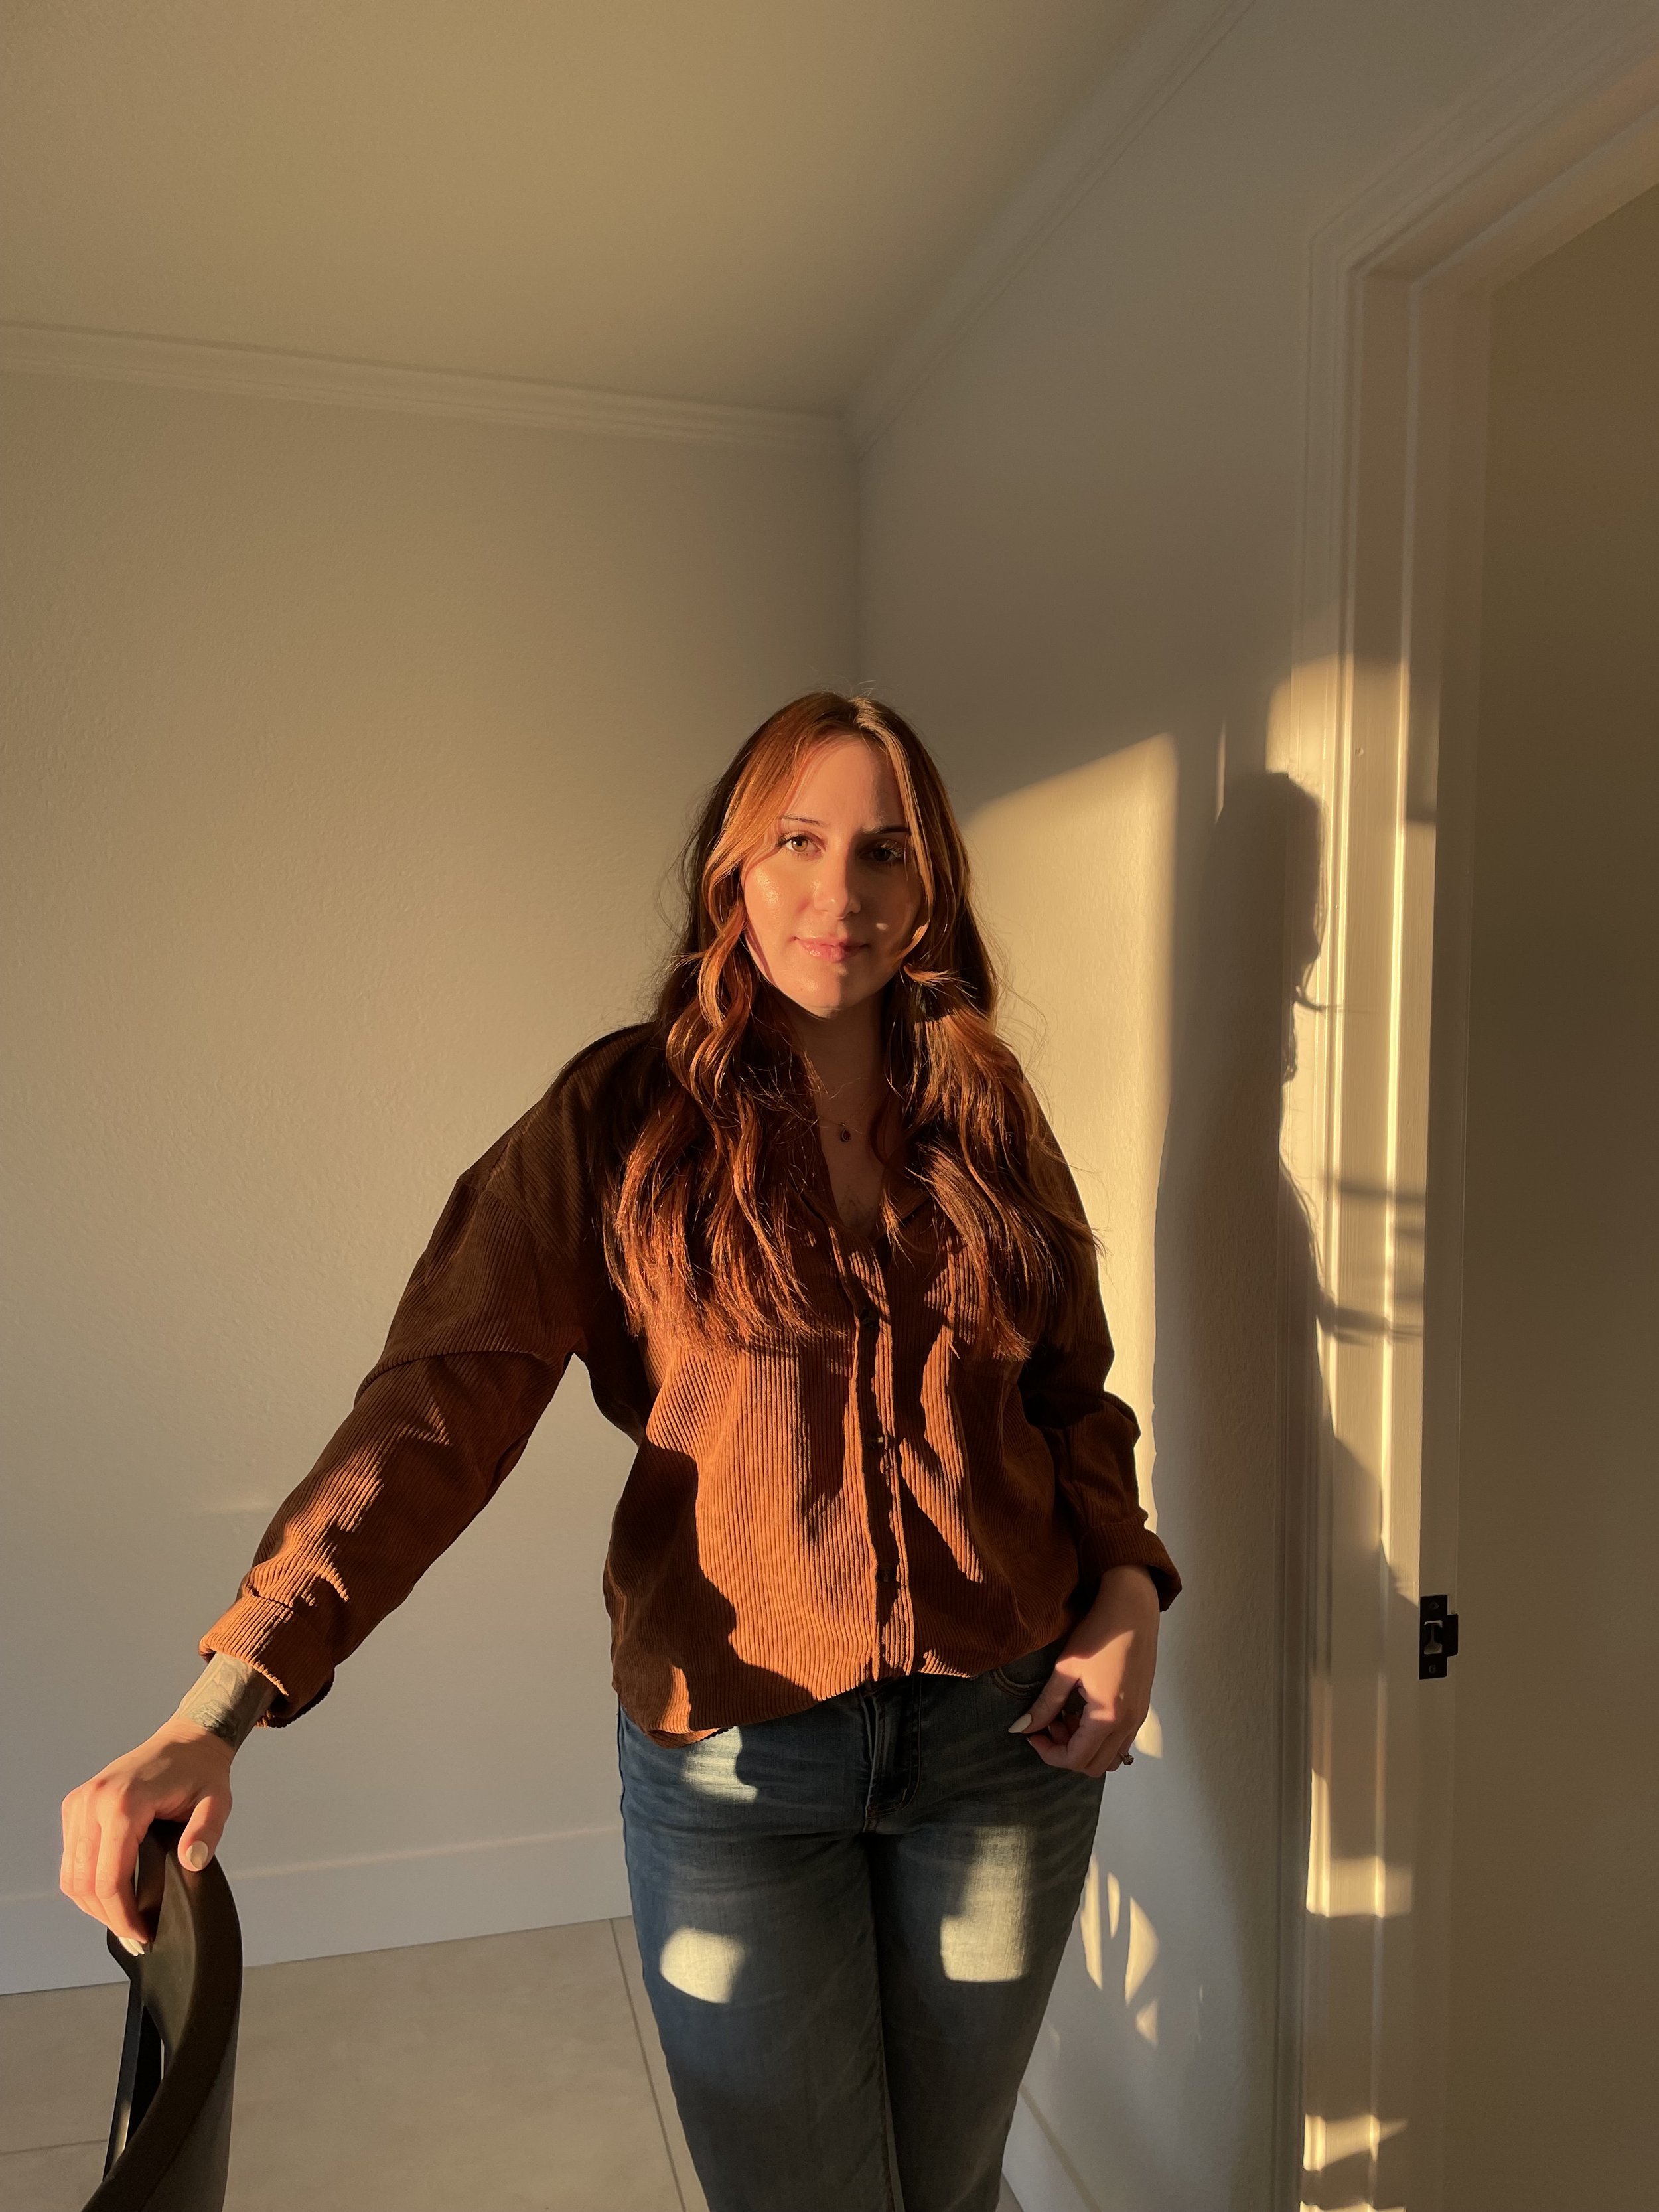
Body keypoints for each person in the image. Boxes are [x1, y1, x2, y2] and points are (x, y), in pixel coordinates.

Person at [60, 692, 1180, 2212]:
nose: (837, 894)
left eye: (881, 851)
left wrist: (1126, 1594)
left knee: (951, 2181)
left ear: (930, 891)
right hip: (737, 1769)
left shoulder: (982, 1110)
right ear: (731, 868)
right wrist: (221, 1699)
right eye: (797, 842)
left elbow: (1073, 1389)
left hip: (1009, 1743)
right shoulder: (620, 1121)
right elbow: (433, 1411)